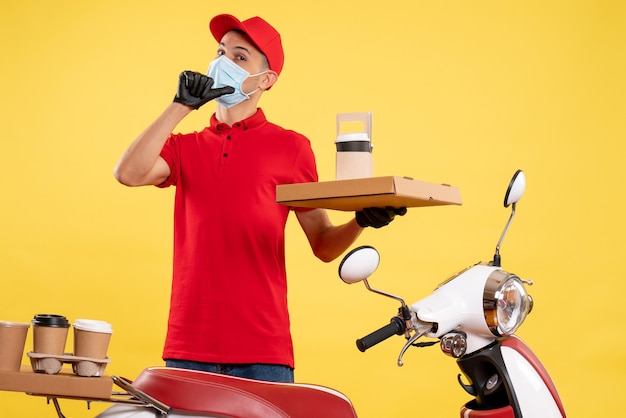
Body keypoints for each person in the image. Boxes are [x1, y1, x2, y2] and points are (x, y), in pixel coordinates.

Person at [114, 13, 405, 383]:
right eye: (220, 53)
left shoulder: (291, 148)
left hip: (262, 349)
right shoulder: (185, 148)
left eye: (239, 57)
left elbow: (323, 245)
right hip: (189, 347)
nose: (223, 63)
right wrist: (180, 107)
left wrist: (361, 221)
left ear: (266, 80)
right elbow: (128, 173)